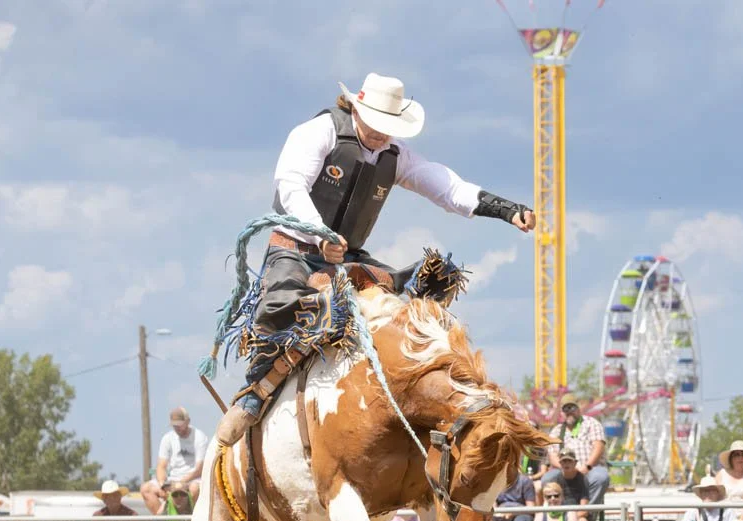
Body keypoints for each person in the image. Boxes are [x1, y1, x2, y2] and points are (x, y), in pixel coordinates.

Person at [215, 73, 536, 446]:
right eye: (378, 125)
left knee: (433, 278)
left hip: (348, 258)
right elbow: (291, 185)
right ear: (357, 108)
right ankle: (254, 392)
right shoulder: (318, 133)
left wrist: (506, 209)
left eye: (390, 127)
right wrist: (321, 235)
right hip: (296, 250)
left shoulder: (395, 156)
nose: (383, 135)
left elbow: (446, 186)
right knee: (278, 307)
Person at [543, 394, 610, 506]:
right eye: (565, 409)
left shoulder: (591, 423)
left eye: (572, 407)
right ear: (561, 412)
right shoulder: (556, 431)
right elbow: (552, 455)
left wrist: (587, 466)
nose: (569, 412)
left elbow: (598, 447)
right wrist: (568, 468)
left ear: (579, 408)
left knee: (600, 477)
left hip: (590, 468)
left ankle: (587, 514)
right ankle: (559, 516)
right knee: (547, 479)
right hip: (565, 470)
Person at [141, 407, 207, 512]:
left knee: (195, 489)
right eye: (175, 425)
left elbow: (199, 469)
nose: (177, 428)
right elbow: (161, 466)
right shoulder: (167, 438)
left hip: (193, 480)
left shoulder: (199, 437)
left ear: (187, 421)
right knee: (146, 489)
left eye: (180, 424)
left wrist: (179, 484)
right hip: (172, 480)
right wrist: (163, 485)